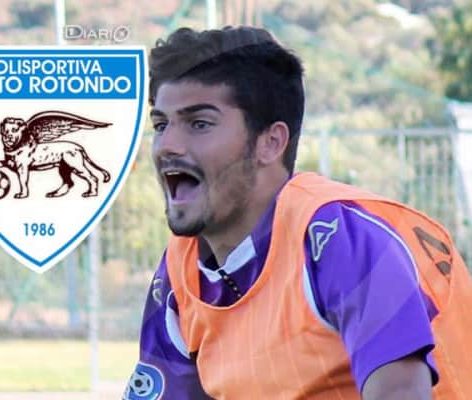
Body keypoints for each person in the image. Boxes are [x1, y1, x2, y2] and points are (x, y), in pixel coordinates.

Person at [123, 26, 472, 400]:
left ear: (270, 142)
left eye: (199, 124)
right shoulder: (181, 270)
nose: (167, 145)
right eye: (161, 125)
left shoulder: (338, 238)